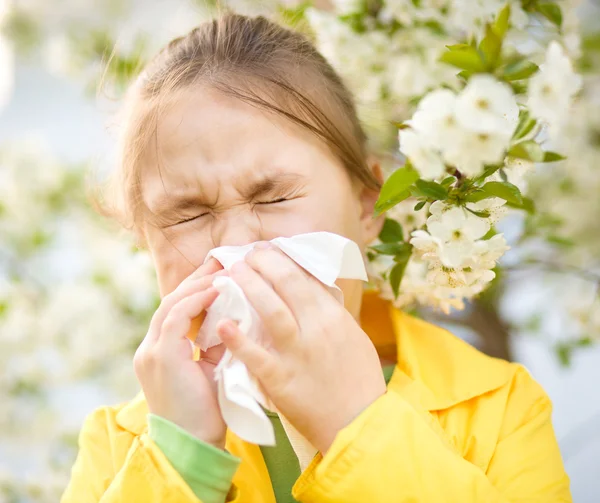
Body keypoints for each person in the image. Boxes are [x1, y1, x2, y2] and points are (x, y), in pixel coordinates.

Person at [61, 11, 572, 503]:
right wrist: (180, 460)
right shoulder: (120, 446)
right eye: (187, 214)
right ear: (145, 242)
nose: (235, 243)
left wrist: (356, 423)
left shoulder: (498, 409)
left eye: (274, 197)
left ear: (367, 205)